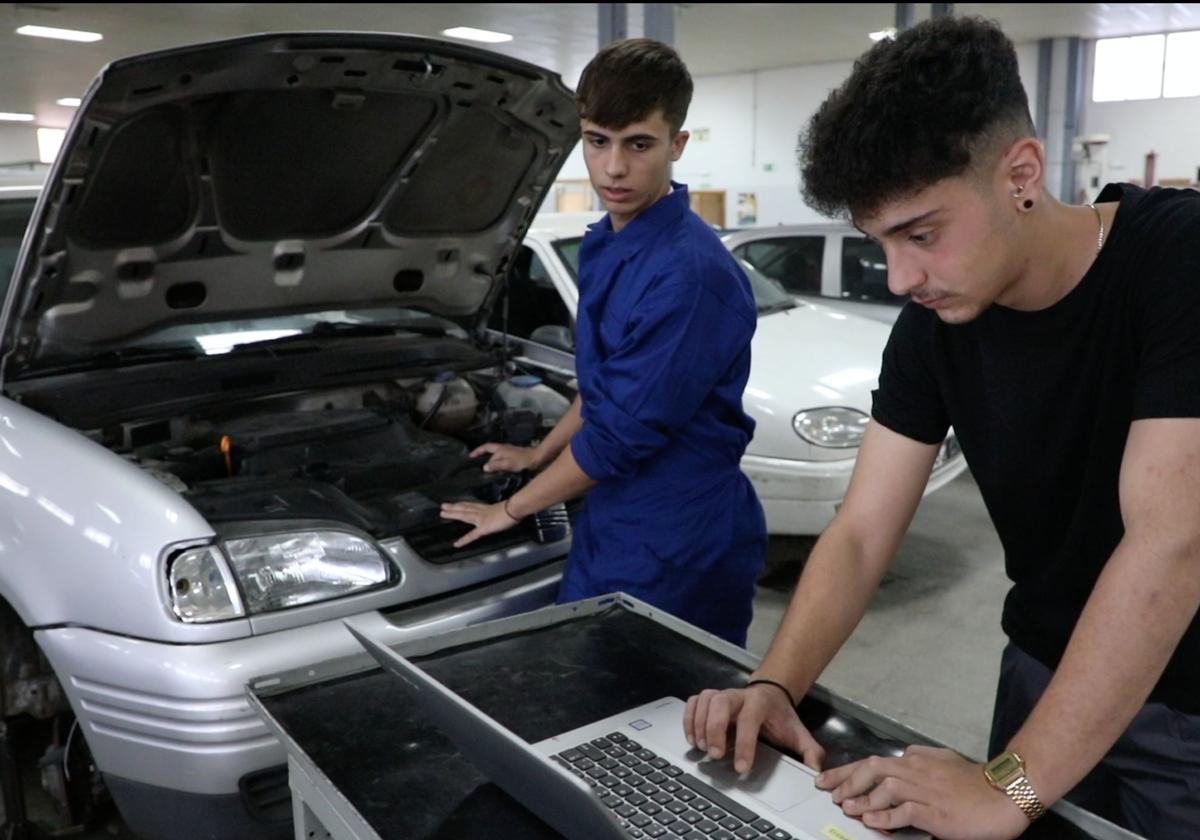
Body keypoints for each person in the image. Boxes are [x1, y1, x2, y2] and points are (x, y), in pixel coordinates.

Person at [683, 15, 1200, 840]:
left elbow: (1171, 545)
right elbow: (859, 533)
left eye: (921, 234)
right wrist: (776, 684)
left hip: (1187, 713)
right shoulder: (935, 327)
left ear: (1019, 174)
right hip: (1041, 676)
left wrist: (1008, 793)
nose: (898, 277)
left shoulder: (1177, 260)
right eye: (879, 242)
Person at [440, 38, 767, 646]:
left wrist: (507, 511)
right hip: (617, 518)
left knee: (657, 721)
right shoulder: (606, 241)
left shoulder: (689, 276)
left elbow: (618, 439)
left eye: (638, 144)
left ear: (677, 144)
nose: (613, 168)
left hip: (676, 538)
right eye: (597, 141)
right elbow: (603, 390)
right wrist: (537, 455)